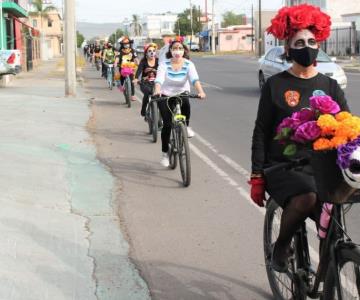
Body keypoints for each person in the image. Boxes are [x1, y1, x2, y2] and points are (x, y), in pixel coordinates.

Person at [249, 4, 349, 273]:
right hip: (285, 165)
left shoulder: (329, 85)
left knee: (333, 214)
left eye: (312, 41)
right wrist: (257, 175)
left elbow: (347, 127)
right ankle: (281, 247)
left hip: (324, 164)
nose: (307, 46)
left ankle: (330, 273)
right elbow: (261, 131)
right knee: (307, 198)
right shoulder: (276, 85)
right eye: (300, 42)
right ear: (288, 48)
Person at [153, 37, 206, 167]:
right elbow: (159, 80)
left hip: (182, 92)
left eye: (180, 48)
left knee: (186, 103)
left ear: (184, 51)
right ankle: (165, 154)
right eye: (175, 48)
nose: (177, 51)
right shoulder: (164, 64)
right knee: (167, 125)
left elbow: (194, 80)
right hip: (165, 94)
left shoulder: (189, 64)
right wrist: (157, 90)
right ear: (170, 51)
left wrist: (201, 92)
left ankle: (186, 127)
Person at [133, 43, 159, 117]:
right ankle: (144, 109)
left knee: (161, 97)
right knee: (147, 94)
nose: (152, 52)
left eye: (154, 51)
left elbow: (163, 71)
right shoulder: (143, 61)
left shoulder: (158, 61)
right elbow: (139, 71)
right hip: (145, 83)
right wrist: (136, 79)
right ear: (146, 53)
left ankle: (160, 116)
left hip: (157, 83)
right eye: (149, 51)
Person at [115, 37, 138, 101]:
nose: (126, 45)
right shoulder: (120, 51)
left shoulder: (133, 50)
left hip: (131, 68)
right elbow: (117, 58)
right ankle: (122, 87)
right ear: (122, 44)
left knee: (131, 81)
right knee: (121, 79)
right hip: (122, 68)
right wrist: (115, 63)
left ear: (130, 44)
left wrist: (138, 63)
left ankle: (132, 95)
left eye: (127, 43)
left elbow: (136, 58)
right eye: (125, 44)